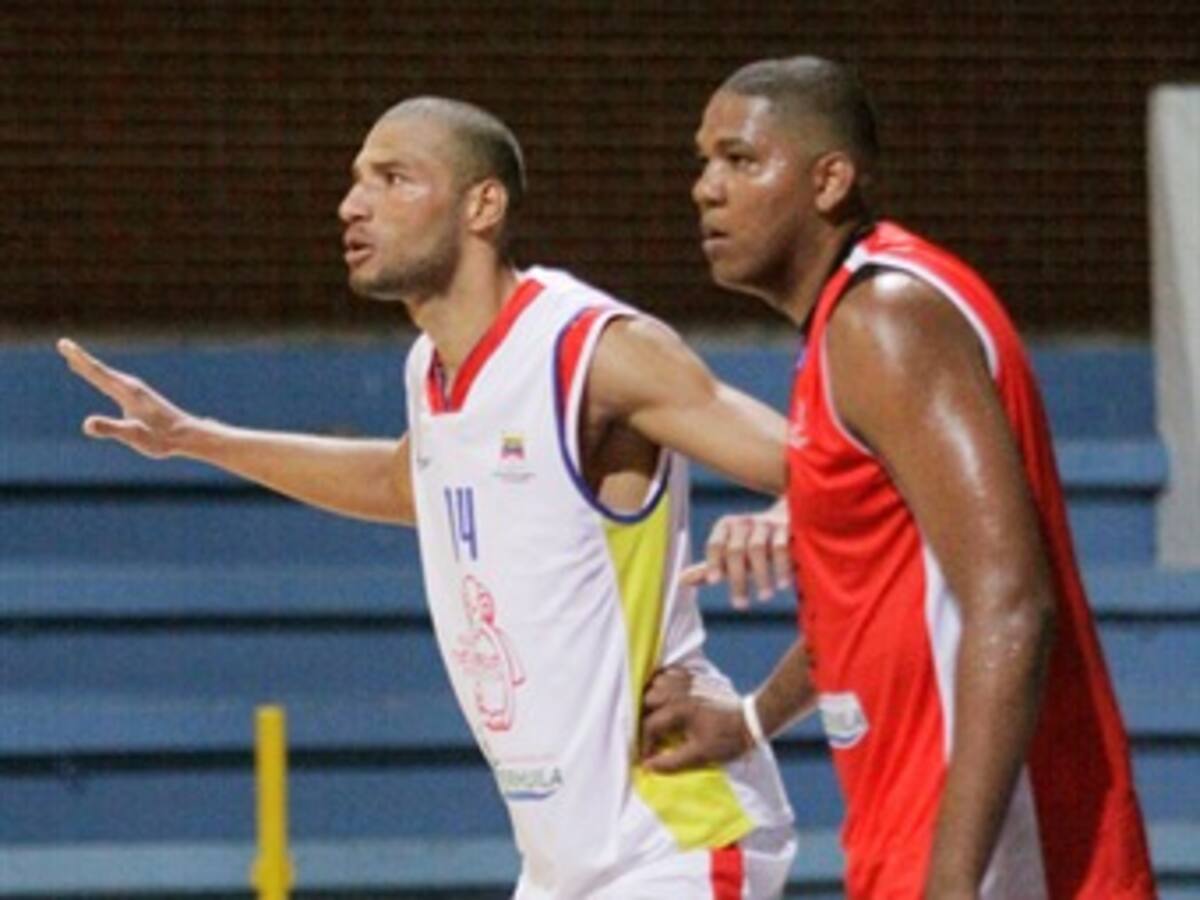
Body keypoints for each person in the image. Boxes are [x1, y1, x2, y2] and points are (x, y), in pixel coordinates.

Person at [58, 97, 798, 899]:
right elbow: (404, 480)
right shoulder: (431, 368)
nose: (352, 204)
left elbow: (835, 467)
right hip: (563, 863)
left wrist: (789, 511)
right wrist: (197, 437)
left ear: (483, 205)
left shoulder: (594, 350)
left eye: (392, 178)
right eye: (355, 182)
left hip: (671, 834)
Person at [640, 56, 1157, 899]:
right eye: (703, 162)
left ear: (829, 180)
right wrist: (748, 720)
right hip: (911, 834)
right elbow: (877, 599)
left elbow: (1010, 602)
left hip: (991, 855)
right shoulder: (851, 326)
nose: (706, 188)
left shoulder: (886, 320)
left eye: (740, 160)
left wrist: (951, 882)